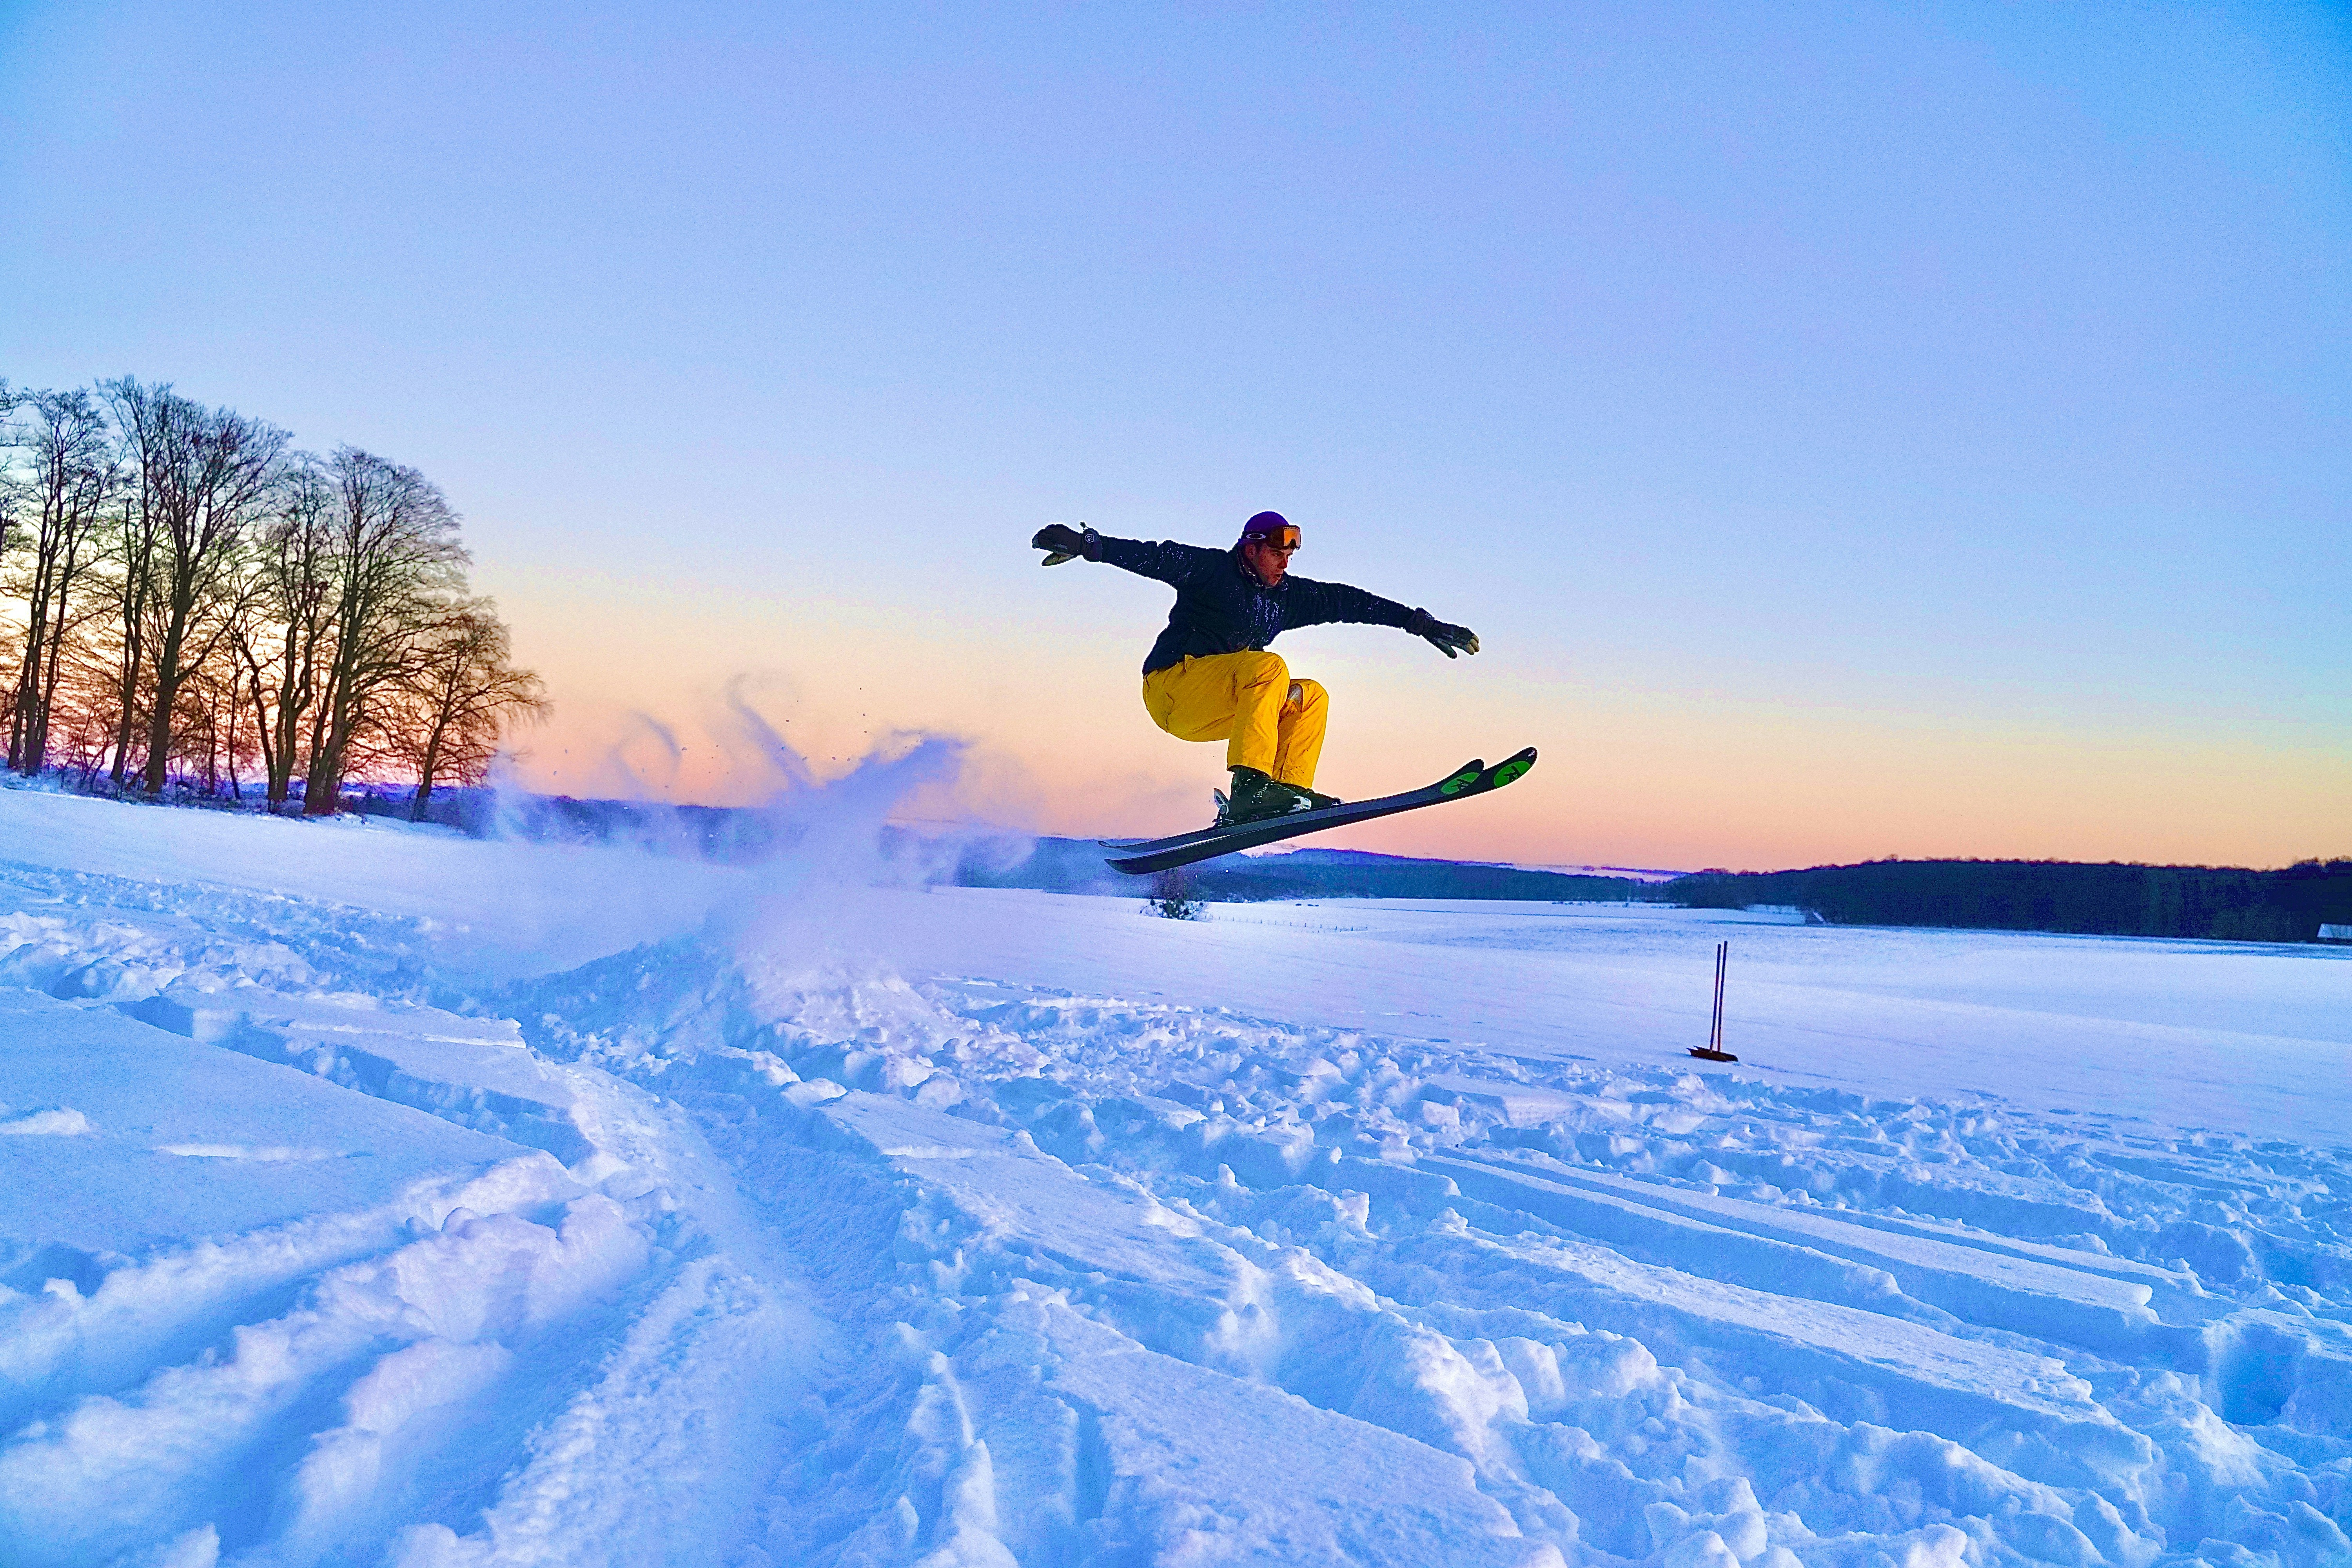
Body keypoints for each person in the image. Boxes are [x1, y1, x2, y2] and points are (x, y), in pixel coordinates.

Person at [1030, 510, 1479, 824]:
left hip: (1216, 706)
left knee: (1310, 695)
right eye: (1277, 553)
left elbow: (1350, 602)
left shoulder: (1287, 596)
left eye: (1290, 556)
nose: (1285, 563)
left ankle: (1285, 795)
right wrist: (1090, 545)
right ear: (1251, 550)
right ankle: (1250, 789)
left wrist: (1421, 624)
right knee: (1269, 668)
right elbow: (1157, 556)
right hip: (1172, 689)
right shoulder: (1214, 570)